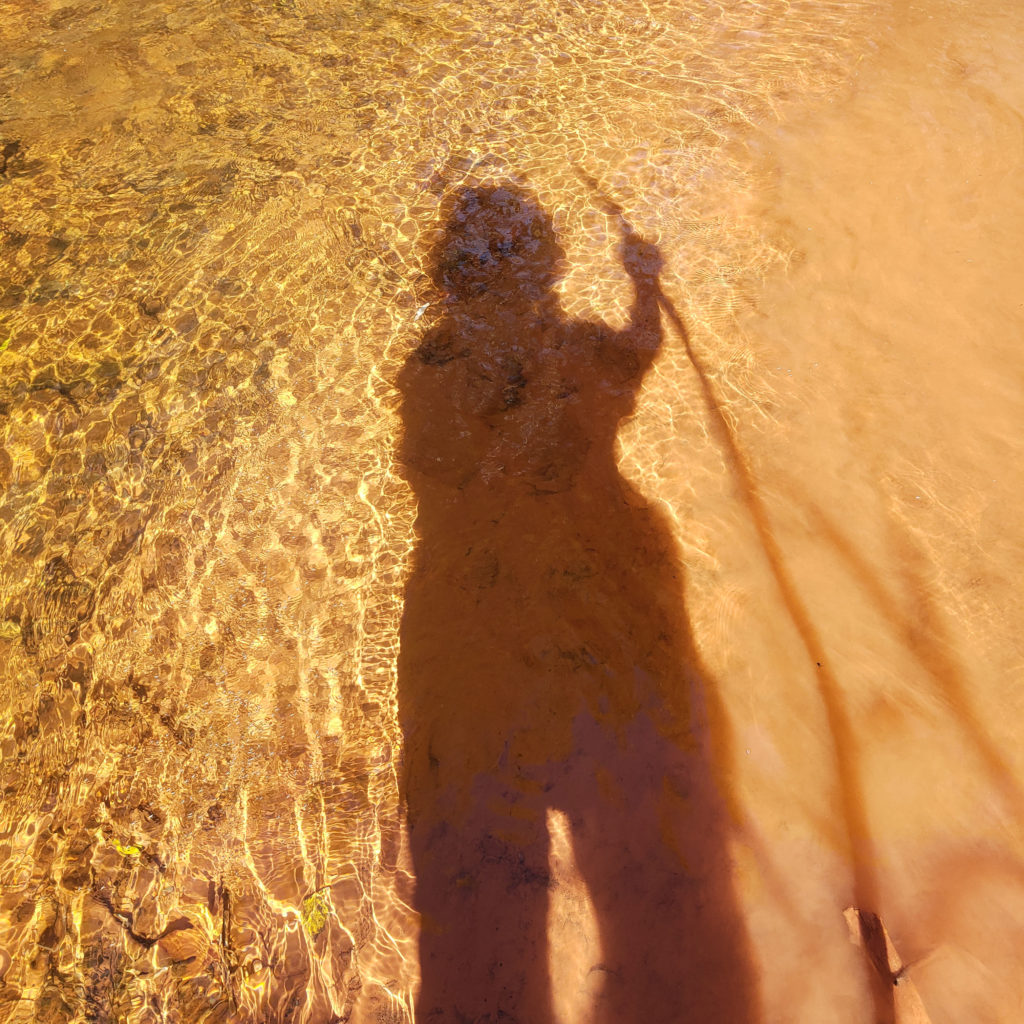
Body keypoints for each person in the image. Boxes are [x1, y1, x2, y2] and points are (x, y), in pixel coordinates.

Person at [396, 183, 757, 1023]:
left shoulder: (439, 370)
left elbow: (632, 355)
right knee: (601, 859)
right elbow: (629, 361)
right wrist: (629, 301)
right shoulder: (478, 369)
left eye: (520, 278)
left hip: (525, 611)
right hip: (578, 602)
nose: (524, 295)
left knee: (520, 879)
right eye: (516, 277)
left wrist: (639, 287)